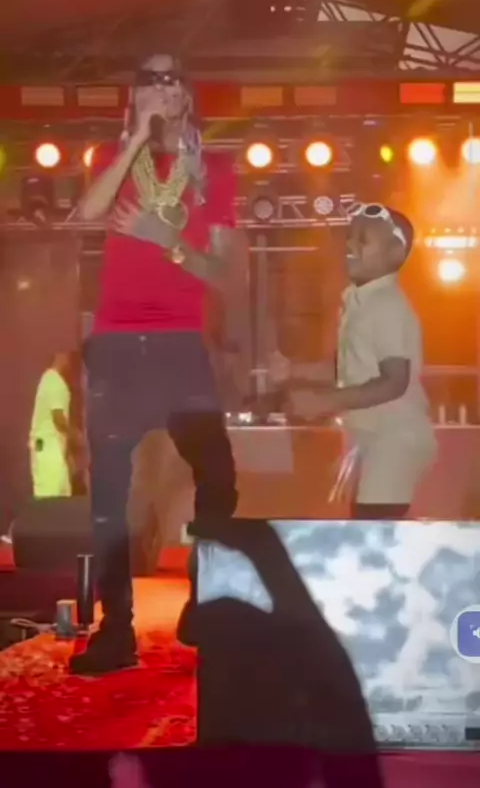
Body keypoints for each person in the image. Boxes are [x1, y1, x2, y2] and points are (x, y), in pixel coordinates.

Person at [69, 55, 248, 676]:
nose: (161, 87)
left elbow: (224, 274)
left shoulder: (214, 172)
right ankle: (115, 630)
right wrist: (136, 139)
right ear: (135, 95)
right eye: (149, 79)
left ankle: (206, 599)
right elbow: (87, 214)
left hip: (178, 344)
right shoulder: (112, 160)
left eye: (172, 79)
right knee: (108, 493)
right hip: (118, 345)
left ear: (188, 97)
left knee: (218, 477)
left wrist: (166, 240)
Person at [270, 203, 436, 520]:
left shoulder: (386, 305)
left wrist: (326, 401)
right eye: (350, 236)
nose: (350, 245)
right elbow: (348, 368)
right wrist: (294, 370)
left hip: (394, 438)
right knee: (371, 525)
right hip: (371, 437)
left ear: (395, 253)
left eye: (363, 239)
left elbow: (394, 382)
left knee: (375, 525)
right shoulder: (361, 302)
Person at [29, 352, 75, 499]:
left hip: (51, 450)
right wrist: (78, 437)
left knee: (60, 497)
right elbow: (58, 419)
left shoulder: (49, 380)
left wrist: (66, 454)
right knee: (50, 499)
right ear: (61, 357)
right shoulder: (54, 381)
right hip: (48, 450)